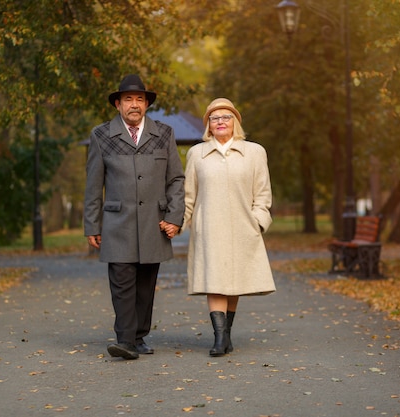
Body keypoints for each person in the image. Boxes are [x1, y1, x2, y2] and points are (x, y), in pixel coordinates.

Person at [84, 74, 185, 360]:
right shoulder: (102, 135)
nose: (134, 105)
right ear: (118, 104)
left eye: (139, 100)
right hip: (118, 223)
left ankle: (139, 336)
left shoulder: (163, 133)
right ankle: (125, 340)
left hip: (155, 223)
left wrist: (175, 216)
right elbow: (93, 184)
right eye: (128, 99)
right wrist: (92, 224)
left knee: (145, 284)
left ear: (146, 104)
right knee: (122, 281)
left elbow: (176, 178)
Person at [183, 98, 276, 357]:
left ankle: (226, 336)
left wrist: (258, 221)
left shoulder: (255, 152)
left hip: (243, 228)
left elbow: (263, 193)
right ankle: (220, 338)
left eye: (226, 117)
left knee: (233, 282)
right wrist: (178, 223)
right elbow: (188, 195)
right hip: (209, 228)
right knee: (216, 281)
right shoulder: (196, 154)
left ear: (235, 122)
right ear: (208, 126)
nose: (220, 121)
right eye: (214, 118)